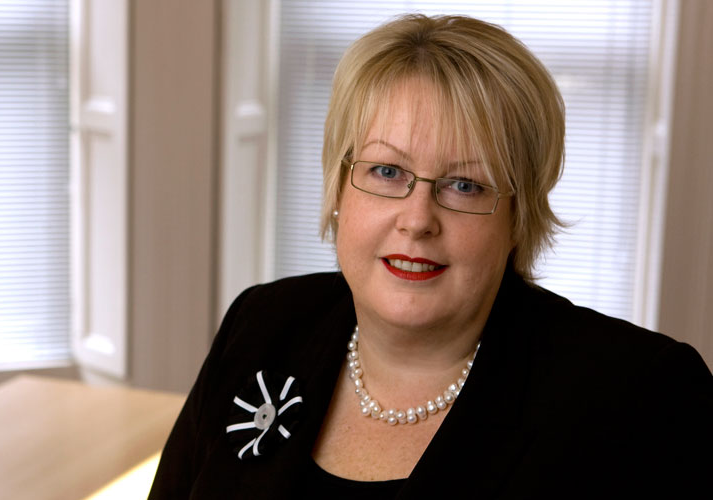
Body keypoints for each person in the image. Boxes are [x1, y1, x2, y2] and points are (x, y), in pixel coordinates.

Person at [148, 14, 713, 499]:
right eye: (386, 171)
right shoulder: (262, 324)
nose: (417, 220)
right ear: (339, 187)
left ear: (518, 216)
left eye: (465, 185)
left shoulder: (641, 395)